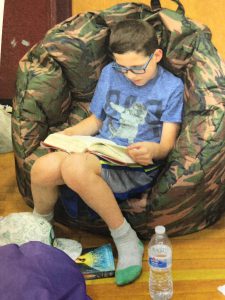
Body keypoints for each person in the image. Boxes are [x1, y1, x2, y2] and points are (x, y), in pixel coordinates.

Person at [31, 19, 184, 286]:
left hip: (135, 164)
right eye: (122, 68)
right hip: (102, 152)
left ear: (156, 55)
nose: (129, 75)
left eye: (137, 68)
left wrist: (153, 150)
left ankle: (125, 237)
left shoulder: (171, 87)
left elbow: (167, 144)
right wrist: (66, 136)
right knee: (41, 169)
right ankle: (41, 231)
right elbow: (97, 122)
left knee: (74, 167)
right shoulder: (111, 73)